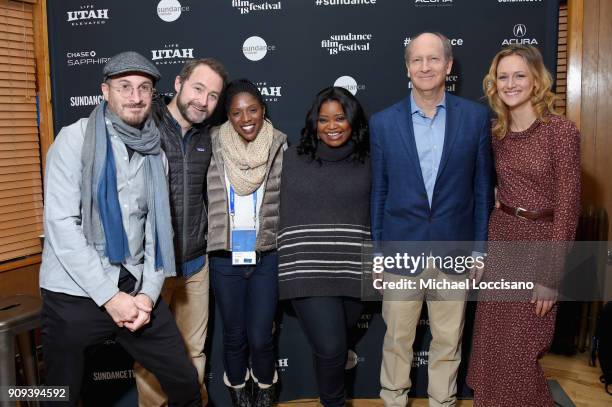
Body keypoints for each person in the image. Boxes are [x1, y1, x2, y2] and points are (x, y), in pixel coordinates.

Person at [40, 51, 202, 406]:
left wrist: (147, 294)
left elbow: (157, 232)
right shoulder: (74, 139)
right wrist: (109, 298)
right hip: (73, 287)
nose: (135, 96)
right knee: (59, 394)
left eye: (144, 88)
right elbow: (61, 224)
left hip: (132, 281)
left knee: (186, 382)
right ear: (105, 91)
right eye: (124, 86)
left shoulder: (155, 151)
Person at [369, 32, 494, 406]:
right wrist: (378, 251)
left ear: (448, 65)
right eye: (417, 60)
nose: (425, 67)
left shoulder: (475, 118)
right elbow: (380, 192)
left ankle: (444, 402)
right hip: (399, 251)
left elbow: (482, 191)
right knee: (396, 343)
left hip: (455, 251)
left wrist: (480, 251)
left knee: (448, 342)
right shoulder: (383, 123)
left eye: (434, 59)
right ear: (407, 67)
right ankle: (394, 399)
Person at [467, 44, 581, 407]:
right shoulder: (495, 133)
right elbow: (488, 192)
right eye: (503, 76)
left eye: (519, 75)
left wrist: (552, 275)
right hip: (502, 237)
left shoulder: (560, 132)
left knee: (521, 352)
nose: (510, 83)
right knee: (491, 350)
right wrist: (482, 252)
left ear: (536, 82)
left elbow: (568, 206)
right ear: (493, 83)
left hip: (541, 245)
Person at [134, 58, 227, 407]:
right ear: (178, 84)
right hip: (151, 268)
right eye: (198, 88)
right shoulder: (145, 126)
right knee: (150, 357)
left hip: (195, 265)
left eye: (213, 95)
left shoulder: (209, 138)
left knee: (194, 351)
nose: (203, 101)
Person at [278, 86, 370, 407]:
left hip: (355, 270)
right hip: (307, 269)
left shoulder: (369, 161)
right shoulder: (292, 158)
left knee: (331, 347)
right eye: (324, 119)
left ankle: (326, 399)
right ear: (313, 123)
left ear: (352, 120)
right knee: (332, 348)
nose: (332, 126)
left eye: (340, 118)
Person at [206, 79, 287, 407]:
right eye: (237, 112)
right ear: (227, 115)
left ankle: (265, 389)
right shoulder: (211, 144)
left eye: (252, 109)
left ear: (262, 110)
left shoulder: (279, 144)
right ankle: (238, 391)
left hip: (266, 255)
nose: (246, 118)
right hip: (225, 258)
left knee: (260, 335)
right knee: (235, 335)